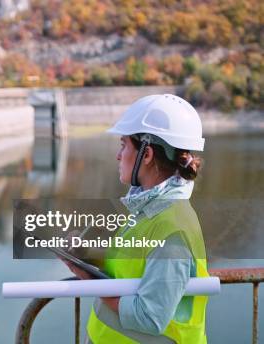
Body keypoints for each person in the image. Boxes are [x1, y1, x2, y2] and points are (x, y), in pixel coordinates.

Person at [65, 94, 209, 343]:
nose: (118, 156)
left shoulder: (172, 226)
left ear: (147, 154)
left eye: (123, 145)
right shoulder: (148, 209)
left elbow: (150, 317)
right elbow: (136, 265)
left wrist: (87, 278)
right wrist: (86, 255)